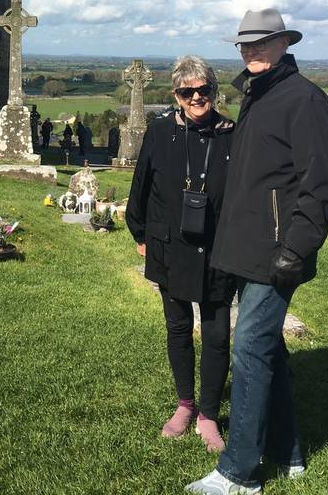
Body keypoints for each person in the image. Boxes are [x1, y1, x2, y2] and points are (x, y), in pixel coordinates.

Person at [186, 10, 328, 495]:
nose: (250, 51)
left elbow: (320, 185)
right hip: (244, 247)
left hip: (277, 253)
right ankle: (288, 450)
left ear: (282, 43)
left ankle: (239, 473)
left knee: (250, 348)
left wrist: (295, 250)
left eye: (261, 42)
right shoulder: (257, 95)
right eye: (244, 44)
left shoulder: (304, 100)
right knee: (268, 347)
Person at [126, 55, 235, 454]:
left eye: (203, 90)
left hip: (217, 248)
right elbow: (141, 184)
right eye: (187, 91)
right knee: (177, 328)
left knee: (218, 335)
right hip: (169, 244)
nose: (196, 97)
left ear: (214, 91)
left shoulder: (230, 134)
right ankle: (185, 404)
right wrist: (139, 232)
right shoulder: (160, 132)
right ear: (175, 94)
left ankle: (208, 415)